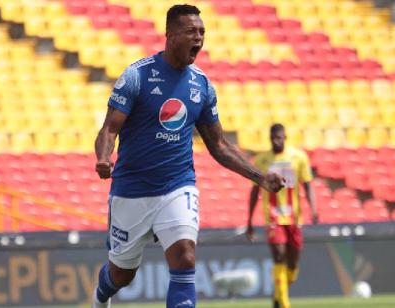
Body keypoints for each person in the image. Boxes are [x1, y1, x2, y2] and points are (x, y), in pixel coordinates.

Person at [92, 4, 285, 308]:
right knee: (122, 274)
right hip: (131, 191)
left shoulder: (203, 86)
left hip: (177, 187)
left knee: (185, 256)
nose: (199, 38)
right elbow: (109, 130)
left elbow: (219, 145)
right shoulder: (137, 76)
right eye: (191, 31)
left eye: (202, 32)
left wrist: (260, 178)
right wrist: (104, 158)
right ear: (170, 35)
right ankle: (101, 296)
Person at [245, 123, 317, 308]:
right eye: (273, 138)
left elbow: (308, 185)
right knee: (278, 255)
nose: (276, 141)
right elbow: (255, 191)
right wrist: (250, 220)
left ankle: (278, 296)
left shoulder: (299, 157)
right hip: (273, 217)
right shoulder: (262, 160)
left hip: (294, 217)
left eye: (279, 137)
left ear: (285, 138)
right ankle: (284, 304)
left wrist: (314, 209)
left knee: (292, 264)